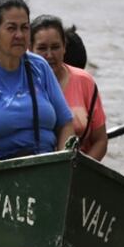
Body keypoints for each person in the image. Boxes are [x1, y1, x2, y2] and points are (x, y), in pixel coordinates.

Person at [0, 0, 73, 163]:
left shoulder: (40, 67)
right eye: (11, 28)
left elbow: (66, 123)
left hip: (45, 167)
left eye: (25, 28)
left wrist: (63, 162)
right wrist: (10, 177)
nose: (19, 35)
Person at [31, 15, 108, 160]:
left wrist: (81, 171)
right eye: (42, 48)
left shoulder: (85, 81)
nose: (49, 55)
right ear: (30, 49)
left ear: (64, 47)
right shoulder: (20, 82)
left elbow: (100, 140)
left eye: (55, 47)